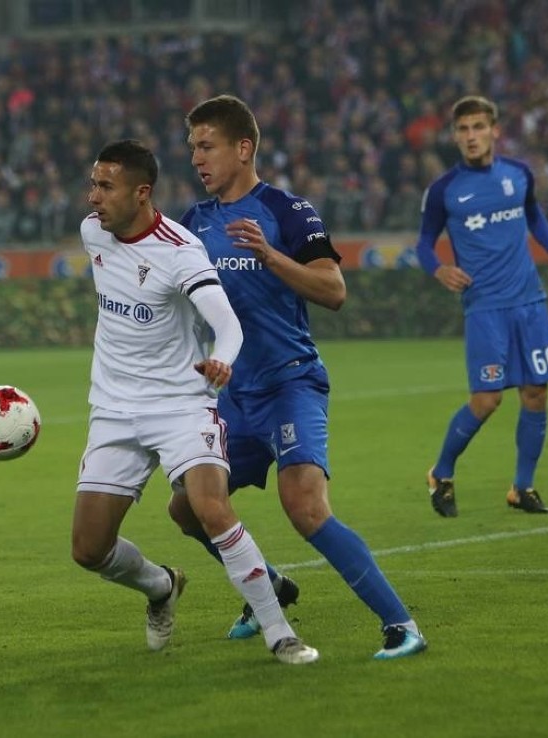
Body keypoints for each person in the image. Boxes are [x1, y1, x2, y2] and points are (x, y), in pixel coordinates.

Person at [169, 94, 426, 660]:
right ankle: (271, 585)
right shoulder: (192, 223)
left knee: (305, 505)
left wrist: (270, 257)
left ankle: (400, 624)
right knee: (187, 507)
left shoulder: (288, 212)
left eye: (206, 146)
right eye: (192, 149)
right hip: (233, 395)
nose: (197, 159)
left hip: (291, 383)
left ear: (244, 148)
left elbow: (333, 291)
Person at [71, 139, 318, 666]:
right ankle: (161, 586)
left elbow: (226, 324)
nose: (93, 197)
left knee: (211, 508)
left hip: (180, 404)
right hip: (113, 409)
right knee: (88, 550)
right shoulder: (94, 232)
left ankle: (279, 632)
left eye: (105, 186)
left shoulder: (179, 250)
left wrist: (222, 359)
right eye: (93, 184)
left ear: (142, 193)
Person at [415, 95, 548, 518]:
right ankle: (441, 472)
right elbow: (424, 244)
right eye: (463, 129)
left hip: (530, 302)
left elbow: (534, 215)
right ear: (454, 136)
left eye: (478, 127)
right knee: (486, 401)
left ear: (494, 131)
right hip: (485, 308)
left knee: (536, 393)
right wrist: (439, 270)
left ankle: (523, 487)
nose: (471, 136)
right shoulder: (445, 190)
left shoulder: (518, 175)